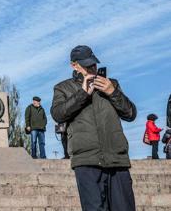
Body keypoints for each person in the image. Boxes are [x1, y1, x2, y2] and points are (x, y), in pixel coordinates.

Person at [51, 45, 137, 211]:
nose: (92, 68)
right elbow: (58, 114)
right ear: (74, 65)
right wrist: (83, 93)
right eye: (86, 65)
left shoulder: (112, 84)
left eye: (93, 64)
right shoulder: (62, 88)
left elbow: (130, 113)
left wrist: (112, 92)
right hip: (87, 161)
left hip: (116, 159)